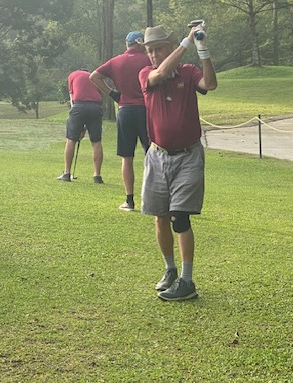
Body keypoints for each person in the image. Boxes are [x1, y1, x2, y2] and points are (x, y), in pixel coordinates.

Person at [138, 23, 217, 301]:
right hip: (158, 155)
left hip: (188, 156)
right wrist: (187, 42)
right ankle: (170, 270)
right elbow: (159, 74)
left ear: (170, 47)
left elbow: (210, 84)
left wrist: (202, 49)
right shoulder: (146, 74)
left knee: (179, 217)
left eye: (159, 48)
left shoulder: (188, 71)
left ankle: (187, 280)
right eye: (150, 50)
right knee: (160, 216)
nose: (154, 54)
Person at [90, 31, 150, 210]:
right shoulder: (149, 59)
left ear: (127, 44)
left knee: (127, 157)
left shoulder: (115, 61)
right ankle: (152, 197)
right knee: (152, 155)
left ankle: (129, 200)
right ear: (140, 43)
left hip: (125, 110)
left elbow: (93, 76)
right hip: (146, 109)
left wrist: (113, 94)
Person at [57, 68, 104, 183]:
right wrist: (84, 128)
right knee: (96, 141)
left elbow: (72, 98)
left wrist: (80, 129)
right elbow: (100, 95)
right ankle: (97, 176)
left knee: (71, 139)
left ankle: (67, 173)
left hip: (79, 106)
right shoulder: (94, 76)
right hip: (96, 107)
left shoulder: (73, 75)